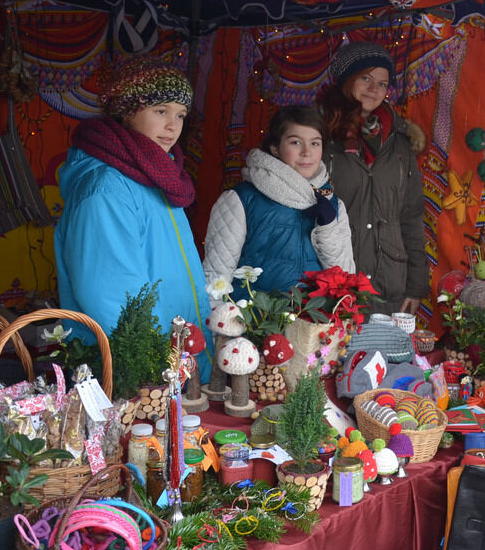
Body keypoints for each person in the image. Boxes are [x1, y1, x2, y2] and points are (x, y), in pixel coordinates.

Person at [54, 60, 212, 378]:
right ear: (127, 111)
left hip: (174, 363)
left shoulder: (158, 175)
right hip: (135, 372)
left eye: (180, 114)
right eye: (160, 111)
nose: (173, 126)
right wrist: (158, 366)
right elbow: (112, 295)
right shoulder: (107, 188)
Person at [319, 41, 429, 316]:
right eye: (366, 78)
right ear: (347, 80)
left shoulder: (400, 144)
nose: (374, 89)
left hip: (388, 284)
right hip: (332, 282)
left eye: (382, 83)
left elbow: (411, 216)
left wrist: (416, 286)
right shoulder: (318, 136)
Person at [203, 105, 355, 296]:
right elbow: (215, 278)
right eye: (295, 142)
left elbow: (346, 280)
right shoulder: (241, 199)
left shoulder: (333, 204)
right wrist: (222, 321)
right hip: (254, 323)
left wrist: (327, 229)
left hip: (313, 323)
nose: (307, 152)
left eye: (315, 143)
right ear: (275, 148)